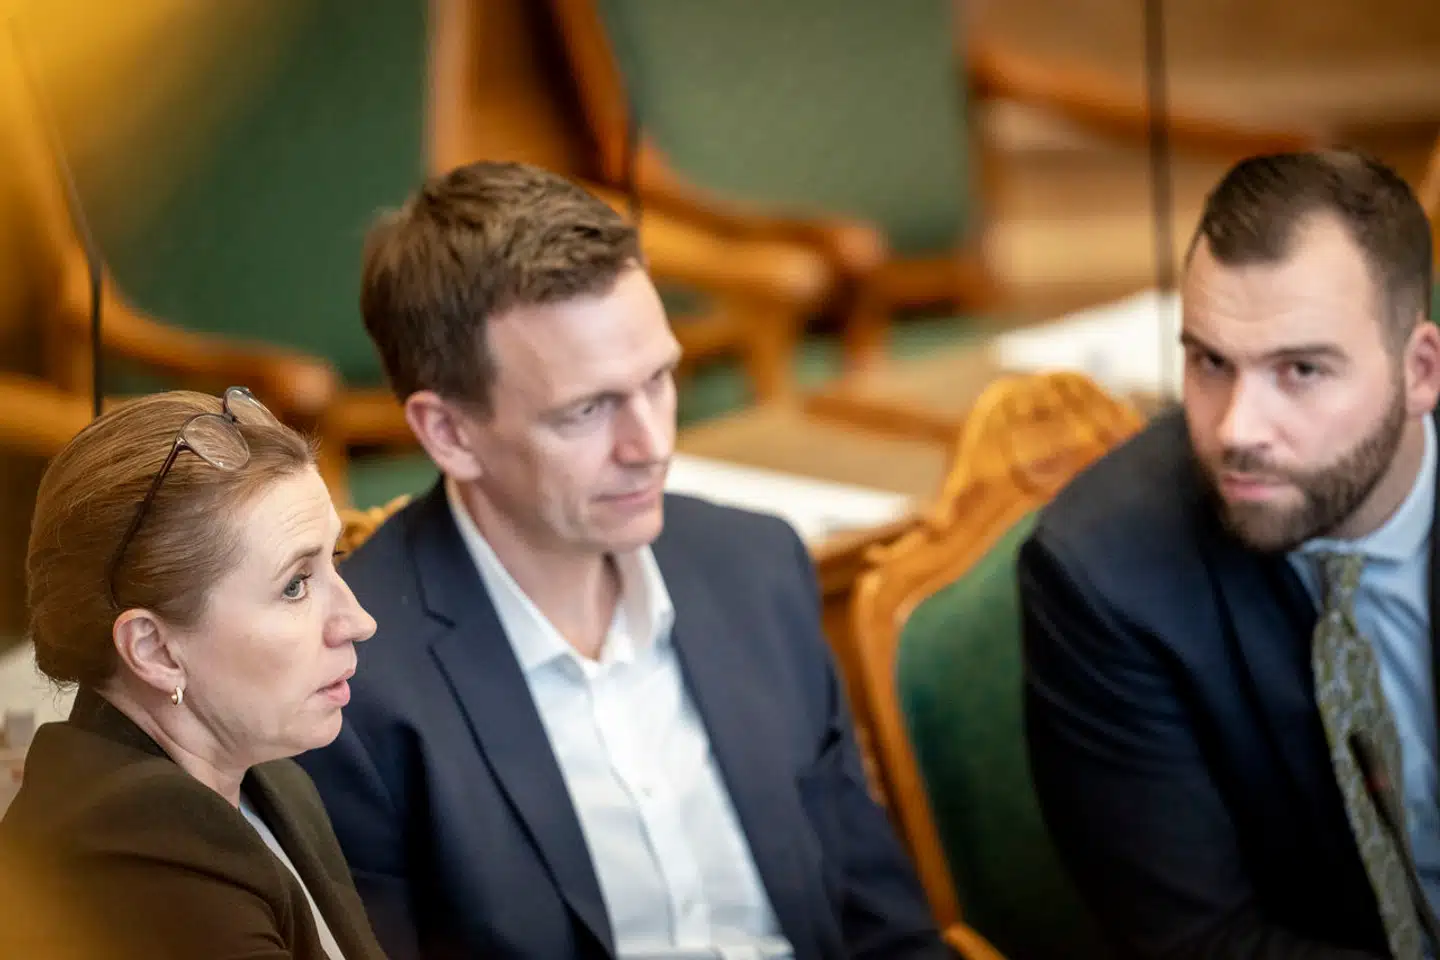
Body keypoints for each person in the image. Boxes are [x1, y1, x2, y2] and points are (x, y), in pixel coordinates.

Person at [294, 160, 951, 960]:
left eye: (661, 379)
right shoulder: (349, 688)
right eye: (588, 410)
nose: (651, 445)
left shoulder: (759, 569)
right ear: (449, 433)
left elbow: (884, 930)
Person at [1019, 148, 1440, 959]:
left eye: (1301, 370)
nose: (1238, 429)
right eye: (1210, 362)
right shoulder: (1104, 575)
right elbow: (1197, 945)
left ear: (1419, 372)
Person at [0, 389, 385, 960]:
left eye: (334, 559)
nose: (359, 621)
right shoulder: (135, 854)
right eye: (294, 585)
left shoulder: (273, 781)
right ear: (155, 650)